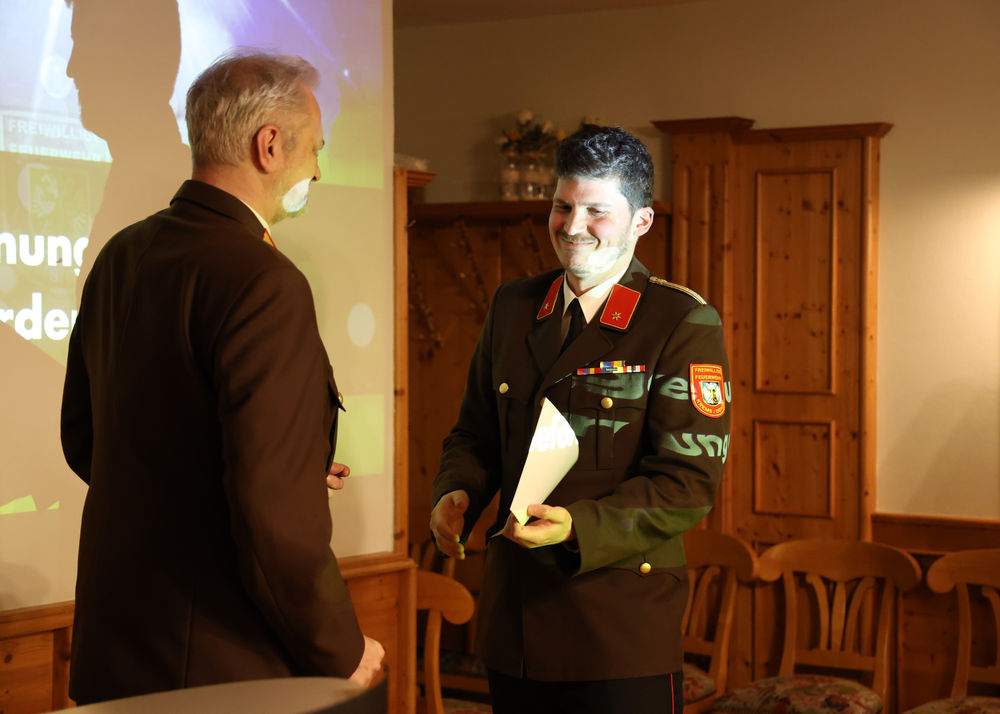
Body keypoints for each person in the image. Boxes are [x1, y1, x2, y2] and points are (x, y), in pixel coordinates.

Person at [60, 51, 383, 705]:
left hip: (114, 645)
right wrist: (342, 650)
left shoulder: (121, 252)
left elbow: (87, 440)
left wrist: (272, 465)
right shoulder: (264, 281)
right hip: (218, 660)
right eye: (316, 149)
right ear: (270, 145)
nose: (318, 169)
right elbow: (273, 521)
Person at [430, 125, 731, 714]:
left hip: (616, 631)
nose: (572, 227)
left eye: (596, 212)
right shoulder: (514, 306)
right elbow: (475, 432)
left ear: (641, 221)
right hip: (515, 624)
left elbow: (687, 485)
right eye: (562, 206)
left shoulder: (679, 321)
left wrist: (576, 527)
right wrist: (456, 491)